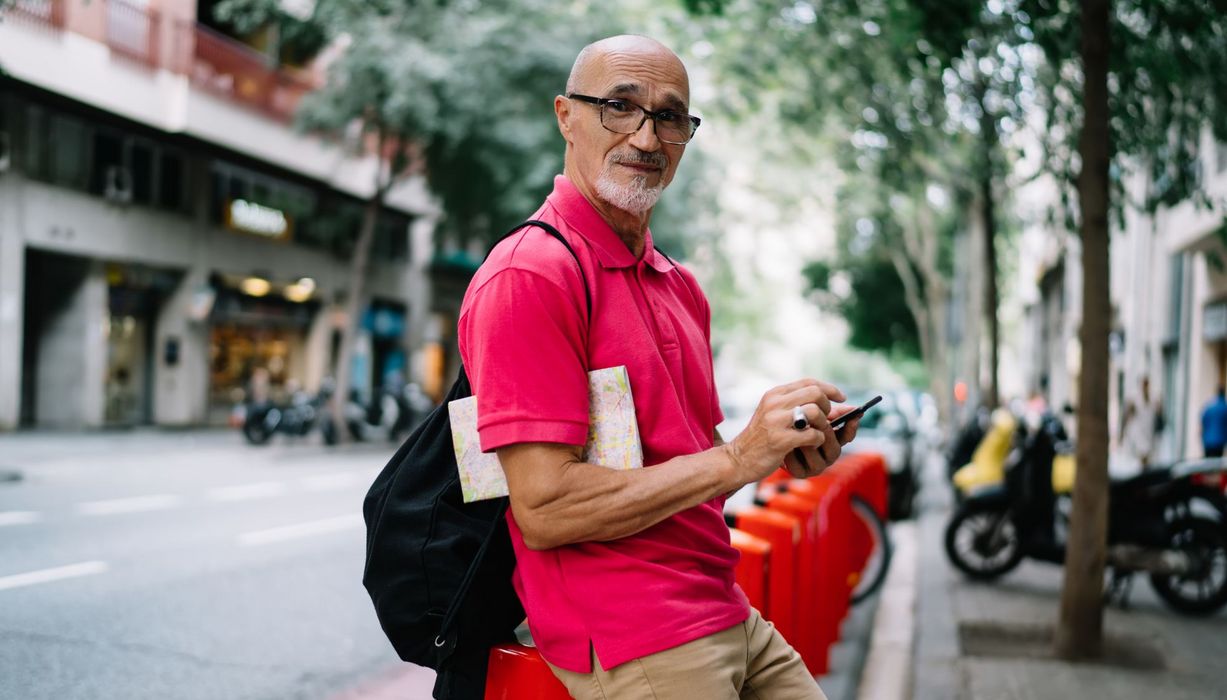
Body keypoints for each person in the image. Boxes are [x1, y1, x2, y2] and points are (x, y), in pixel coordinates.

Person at [458, 35, 860, 700]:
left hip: (725, 607)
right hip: (632, 635)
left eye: (669, 117)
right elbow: (545, 509)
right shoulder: (530, 274)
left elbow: (686, 474)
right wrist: (736, 458)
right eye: (619, 107)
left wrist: (775, 455)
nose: (646, 138)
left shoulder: (679, 286)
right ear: (565, 116)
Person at [1121, 376, 1162, 470]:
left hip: (1149, 430)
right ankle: (1143, 469)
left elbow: (1158, 412)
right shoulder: (1135, 397)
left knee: (1148, 454)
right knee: (1142, 451)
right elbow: (1128, 414)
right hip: (1139, 430)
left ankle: (1144, 469)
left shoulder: (1153, 397)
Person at [1202, 386, 1227, 458]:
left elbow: (1203, 423)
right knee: (1216, 464)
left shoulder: (1209, 407)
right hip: (1219, 442)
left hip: (1208, 441)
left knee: (1208, 464)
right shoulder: (1224, 407)